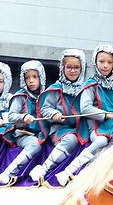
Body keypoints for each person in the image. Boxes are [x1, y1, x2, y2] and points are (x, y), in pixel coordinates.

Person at [55, 44, 113, 186]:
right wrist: (107, 115)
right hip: (97, 126)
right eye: (101, 61)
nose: (105, 65)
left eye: (109, 62)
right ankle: (68, 171)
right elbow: (85, 108)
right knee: (101, 141)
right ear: (95, 62)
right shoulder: (91, 84)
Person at [28, 49, 88, 182]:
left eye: (76, 67)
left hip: (82, 128)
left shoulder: (87, 87)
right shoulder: (56, 88)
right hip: (61, 130)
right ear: (63, 68)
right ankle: (44, 169)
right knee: (71, 140)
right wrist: (54, 113)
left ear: (82, 68)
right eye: (69, 67)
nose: (72, 71)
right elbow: (45, 109)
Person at [0, 60, 46, 184]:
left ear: (41, 78)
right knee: (34, 145)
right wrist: (24, 117)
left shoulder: (45, 96)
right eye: (27, 77)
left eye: (35, 77)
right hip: (23, 133)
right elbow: (11, 116)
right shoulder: (20, 96)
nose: (31, 81)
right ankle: (8, 173)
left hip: (42, 133)